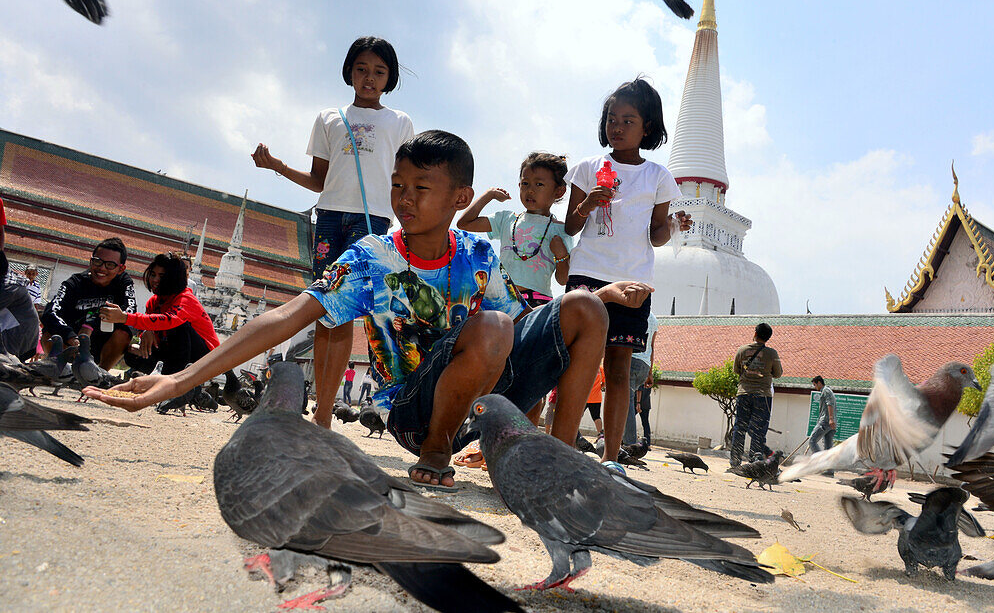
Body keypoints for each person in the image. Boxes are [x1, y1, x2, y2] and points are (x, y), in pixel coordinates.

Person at [87, 131, 648, 491]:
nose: (404, 199)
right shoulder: (371, 258)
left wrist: (597, 297)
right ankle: (436, 451)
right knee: (498, 324)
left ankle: (561, 458)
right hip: (413, 410)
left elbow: (519, 331)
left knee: (581, 307)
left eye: (421, 188)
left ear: (460, 198)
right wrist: (177, 380)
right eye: (399, 185)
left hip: (480, 395)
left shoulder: (477, 254)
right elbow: (285, 317)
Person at [251, 36, 414, 429]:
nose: (369, 78)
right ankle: (319, 409)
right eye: (361, 69)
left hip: (371, 220)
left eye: (379, 71)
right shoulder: (329, 117)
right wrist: (276, 165)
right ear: (349, 72)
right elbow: (317, 180)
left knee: (345, 312)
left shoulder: (400, 123)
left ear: (389, 77)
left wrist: (411, 224)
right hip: (328, 217)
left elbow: (406, 181)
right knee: (323, 311)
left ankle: (324, 415)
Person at [564, 77, 691, 468]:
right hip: (587, 273)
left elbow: (655, 236)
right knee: (575, 366)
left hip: (634, 280)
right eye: (612, 119)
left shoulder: (658, 177)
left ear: (647, 128)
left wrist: (673, 224)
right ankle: (563, 446)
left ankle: (612, 456)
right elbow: (569, 226)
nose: (617, 128)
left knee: (618, 371)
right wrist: (588, 204)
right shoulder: (587, 168)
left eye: (628, 120)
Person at [457, 151, 572, 307]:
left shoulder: (560, 230)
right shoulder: (506, 219)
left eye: (539, 184)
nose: (530, 190)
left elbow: (563, 279)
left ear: (559, 191)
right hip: (500, 298)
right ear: (519, 185)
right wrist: (488, 195)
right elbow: (464, 223)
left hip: (538, 303)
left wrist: (561, 255)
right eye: (525, 183)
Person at [98, 252, 219, 376]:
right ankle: (162, 376)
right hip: (171, 354)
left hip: (204, 358)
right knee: (132, 353)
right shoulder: (153, 303)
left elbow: (169, 320)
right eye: (153, 274)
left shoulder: (186, 299)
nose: (155, 280)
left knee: (178, 327)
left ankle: (175, 380)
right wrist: (146, 331)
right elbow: (151, 326)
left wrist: (124, 317)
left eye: (162, 276)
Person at [41, 237, 137, 369]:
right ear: (91, 260)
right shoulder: (74, 282)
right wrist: (70, 336)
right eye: (97, 261)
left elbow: (130, 311)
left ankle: (101, 374)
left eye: (110, 265)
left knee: (126, 330)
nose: (102, 269)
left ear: (121, 269)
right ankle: (59, 370)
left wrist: (91, 324)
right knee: (50, 331)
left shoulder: (124, 283)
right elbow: (50, 312)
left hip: (102, 344)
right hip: (71, 344)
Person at [727, 322, 782, 467]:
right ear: (768, 337)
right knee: (758, 430)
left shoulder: (742, 350)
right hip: (763, 396)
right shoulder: (772, 354)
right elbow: (778, 374)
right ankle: (754, 461)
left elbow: (736, 370)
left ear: (755, 333)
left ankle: (735, 459)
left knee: (740, 427)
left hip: (744, 393)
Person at [623, 312, 658, 446]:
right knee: (627, 403)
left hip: (631, 360)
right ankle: (622, 440)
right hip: (644, 366)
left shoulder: (634, 313)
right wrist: (650, 373)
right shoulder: (654, 319)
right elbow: (652, 347)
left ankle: (630, 443)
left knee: (625, 404)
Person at [0, 252, 40, 360]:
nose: (31, 275)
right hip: (14, 330)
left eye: (33, 273)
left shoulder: (8, 287)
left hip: (18, 337)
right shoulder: (9, 280)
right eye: (29, 273)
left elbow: (36, 304)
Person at [808, 374, 837, 471]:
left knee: (812, 441)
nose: (815, 387)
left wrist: (831, 418)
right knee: (828, 447)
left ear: (819, 383)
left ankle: (821, 464)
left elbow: (830, 404)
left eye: (815, 385)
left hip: (825, 421)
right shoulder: (827, 390)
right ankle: (829, 470)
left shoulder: (826, 391)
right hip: (829, 423)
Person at [584, 365, 605, 438]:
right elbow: (604, 383)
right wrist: (598, 388)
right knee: (596, 417)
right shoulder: (601, 368)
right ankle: (601, 435)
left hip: (584, 397)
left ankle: (573, 434)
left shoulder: (585, 367)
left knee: (577, 416)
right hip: (596, 398)